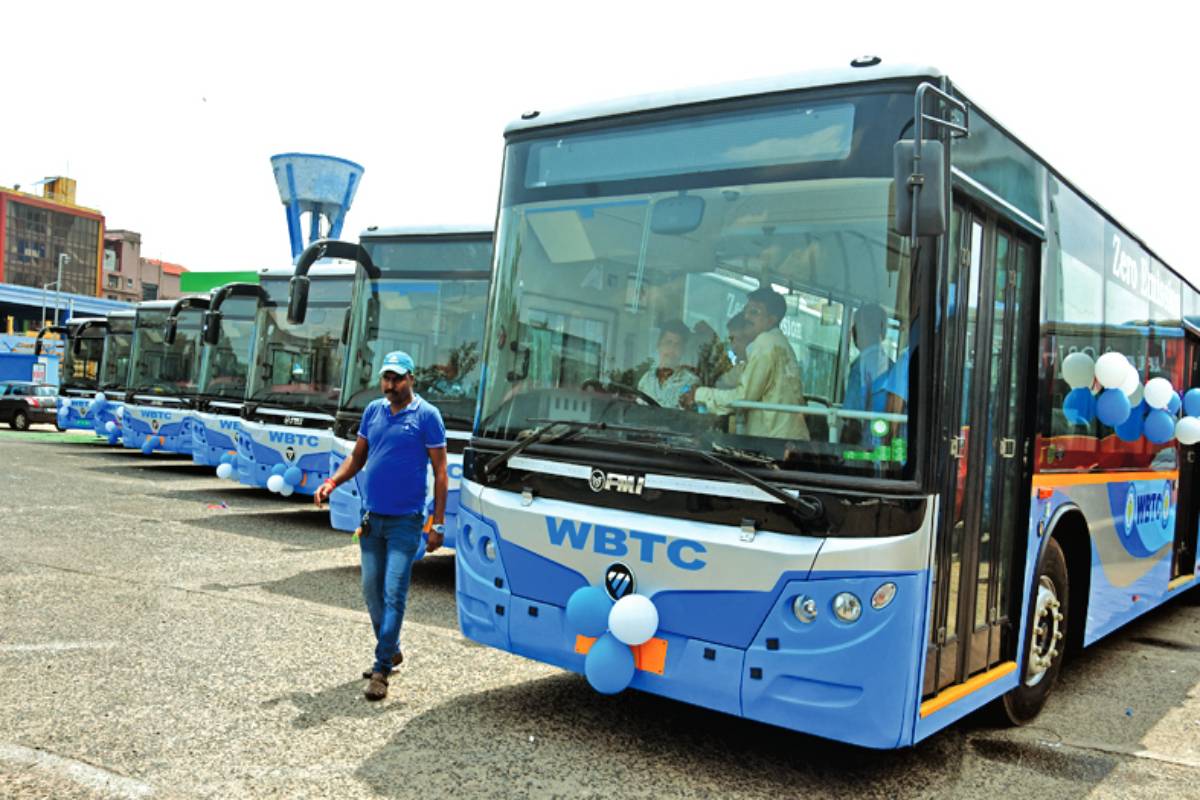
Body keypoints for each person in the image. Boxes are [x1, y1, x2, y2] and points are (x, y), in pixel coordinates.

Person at [314, 350, 449, 701]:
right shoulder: (373, 411)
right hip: (372, 518)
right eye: (386, 378)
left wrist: (438, 524)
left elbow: (441, 473)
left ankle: (381, 668)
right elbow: (357, 458)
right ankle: (392, 647)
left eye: (397, 378)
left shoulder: (427, 416)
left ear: (411, 379)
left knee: (393, 594)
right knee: (370, 590)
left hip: (406, 523)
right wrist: (332, 483)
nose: (390, 385)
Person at [683, 287, 810, 440]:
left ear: (772, 319)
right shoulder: (778, 343)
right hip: (786, 438)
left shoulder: (766, 343)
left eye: (755, 313)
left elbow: (743, 397)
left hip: (775, 441)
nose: (747, 317)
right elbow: (737, 374)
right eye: (746, 311)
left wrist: (700, 394)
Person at [841, 303, 893, 445]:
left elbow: (852, 419)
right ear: (883, 333)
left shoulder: (859, 367)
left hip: (865, 447)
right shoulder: (891, 366)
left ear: (858, 330)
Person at [636, 319, 696, 408]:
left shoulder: (691, 383)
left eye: (677, 345)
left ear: (683, 350)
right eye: (668, 343)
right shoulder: (646, 380)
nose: (671, 350)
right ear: (659, 345)